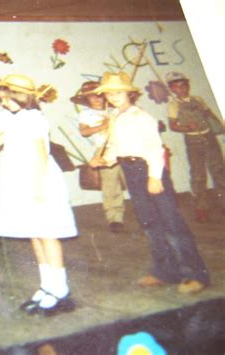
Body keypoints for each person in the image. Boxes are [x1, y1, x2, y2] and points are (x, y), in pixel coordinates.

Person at [0, 74, 78, 316]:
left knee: (48, 234)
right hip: (20, 179)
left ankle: (61, 291)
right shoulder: (16, 119)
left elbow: (42, 154)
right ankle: (47, 286)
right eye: (2, 99)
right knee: (34, 234)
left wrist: (39, 186)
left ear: (22, 98)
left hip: (37, 179)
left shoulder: (34, 119)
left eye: (7, 99)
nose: (3, 104)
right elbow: (0, 138)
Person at [90, 72, 210, 294]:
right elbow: (118, 147)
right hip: (130, 169)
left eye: (117, 92)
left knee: (171, 223)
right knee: (149, 222)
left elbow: (154, 147)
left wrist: (155, 176)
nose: (112, 97)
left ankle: (196, 274)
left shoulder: (140, 116)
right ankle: (166, 271)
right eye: (108, 93)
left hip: (148, 169)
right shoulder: (115, 116)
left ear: (129, 93)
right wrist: (105, 160)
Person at [166, 71, 225, 223]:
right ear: (172, 89)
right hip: (193, 142)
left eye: (183, 85)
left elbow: (210, 115)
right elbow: (172, 126)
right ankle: (201, 208)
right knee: (198, 175)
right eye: (177, 87)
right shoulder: (173, 104)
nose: (181, 89)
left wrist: (221, 126)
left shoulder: (198, 100)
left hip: (209, 137)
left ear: (188, 86)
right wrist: (186, 127)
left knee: (219, 170)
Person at [71, 81, 125, 233]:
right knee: (110, 184)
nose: (96, 98)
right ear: (86, 99)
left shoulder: (115, 109)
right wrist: (105, 125)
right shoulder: (86, 113)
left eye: (99, 95)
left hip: (125, 148)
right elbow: (84, 132)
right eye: (91, 96)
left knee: (133, 180)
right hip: (105, 150)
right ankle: (115, 218)